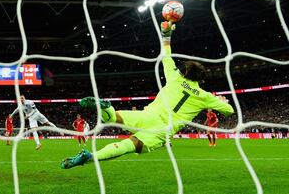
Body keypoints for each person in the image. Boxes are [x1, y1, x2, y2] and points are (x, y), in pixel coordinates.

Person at [61, 21, 235, 169]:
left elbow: (166, 53)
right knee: (129, 146)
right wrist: (221, 100)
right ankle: (90, 156)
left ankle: (107, 108)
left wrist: (166, 34)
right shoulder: (205, 96)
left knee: (113, 118)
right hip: (162, 129)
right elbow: (229, 110)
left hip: (147, 115)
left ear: (186, 72)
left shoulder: (175, 76)